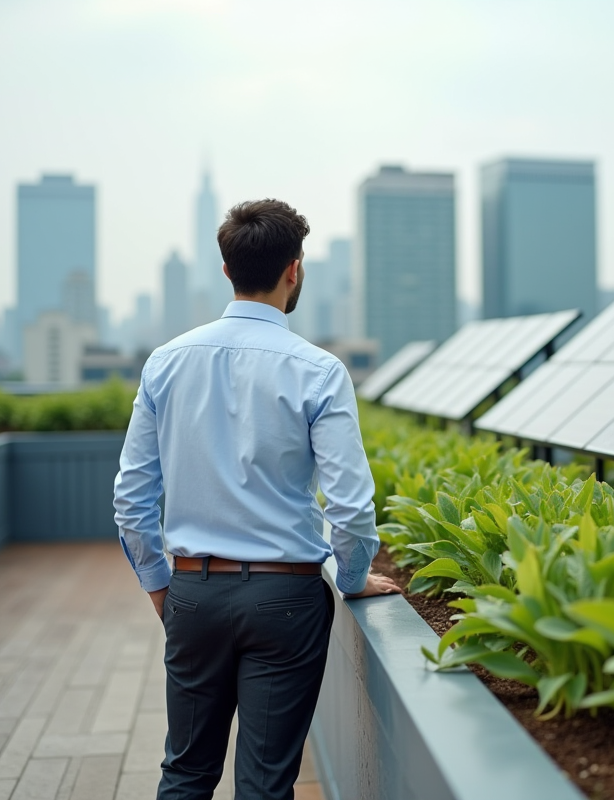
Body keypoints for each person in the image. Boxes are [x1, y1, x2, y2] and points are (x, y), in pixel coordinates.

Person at [113, 198, 400, 799]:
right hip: (287, 599)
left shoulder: (165, 362)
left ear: (226, 270)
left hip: (193, 591)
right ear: (294, 269)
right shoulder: (320, 371)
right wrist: (351, 579)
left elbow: (132, 498)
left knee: (185, 773)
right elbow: (349, 508)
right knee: (267, 784)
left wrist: (164, 588)